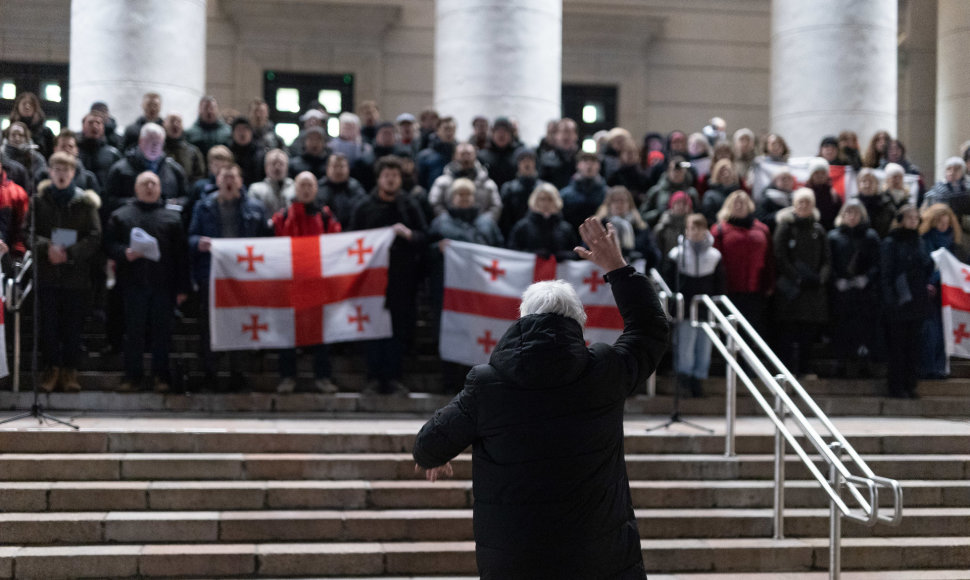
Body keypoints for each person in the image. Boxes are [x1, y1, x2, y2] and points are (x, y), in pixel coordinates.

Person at [413, 217, 669, 580]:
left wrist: (434, 455)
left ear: (521, 320)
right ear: (578, 322)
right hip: (600, 558)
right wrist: (617, 269)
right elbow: (650, 330)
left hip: (517, 560)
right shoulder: (604, 372)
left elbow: (427, 444)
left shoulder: (486, 385)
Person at [349, 156, 428, 395]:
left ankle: (394, 377)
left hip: (402, 280)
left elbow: (424, 236)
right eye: (387, 176)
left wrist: (409, 235)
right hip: (371, 281)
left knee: (398, 329)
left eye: (395, 176)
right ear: (379, 178)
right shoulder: (364, 206)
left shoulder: (411, 205)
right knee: (373, 328)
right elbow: (352, 241)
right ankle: (373, 377)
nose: (391, 180)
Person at [104, 171, 189, 392]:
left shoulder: (173, 218)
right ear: (136, 188)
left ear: (160, 188)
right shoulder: (121, 216)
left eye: (154, 183)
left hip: (163, 285)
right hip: (132, 283)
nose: (150, 186)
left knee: (162, 333)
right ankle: (133, 376)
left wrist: (182, 287)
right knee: (133, 331)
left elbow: (181, 255)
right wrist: (125, 252)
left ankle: (161, 376)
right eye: (145, 183)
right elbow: (109, 246)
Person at [188, 164, 271, 390]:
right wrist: (198, 243)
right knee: (210, 325)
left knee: (239, 323)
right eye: (224, 177)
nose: (228, 181)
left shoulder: (255, 208)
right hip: (213, 275)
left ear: (240, 181)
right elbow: (190, 238)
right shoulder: (203, 207)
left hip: (244, 276)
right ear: (217, 181)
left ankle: (238, 373)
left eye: (233, 177)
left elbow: (266, 242)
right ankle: (210, 372)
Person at [30, 152, 102, 392]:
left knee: (72, 327)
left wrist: (70, 253)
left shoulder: (86, 202)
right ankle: (51, 370)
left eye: (66, 170)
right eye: (57, 169)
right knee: (48, 326)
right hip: (48, 273)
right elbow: (26, 232)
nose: (62, 174)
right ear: (50, 172)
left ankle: (70, 371)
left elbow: (94, 236)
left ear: (73, 174)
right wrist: (46, 248)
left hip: (75, 277)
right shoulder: (38, 201)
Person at [271, 172, 342, 394]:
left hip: (318, 285)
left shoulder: (326, 215)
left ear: (316, 189)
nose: (306, 189)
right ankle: (287, 377)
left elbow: (337, 242)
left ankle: (323, 377)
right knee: (287, 333)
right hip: (290, 284)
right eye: (302, 185)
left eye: (310, 185)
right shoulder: (282, 216)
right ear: (296, 188)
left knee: (321, 333)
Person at [663, 213, 725, 397]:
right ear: (686, 230)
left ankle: (698, 378)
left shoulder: (714, 255)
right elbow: (668, 280)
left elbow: (720, 283)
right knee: (685, 343)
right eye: (691, 228)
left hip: (705, 308)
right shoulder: (677, 253)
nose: (695, 232)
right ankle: (684, 377)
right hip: (685, 308)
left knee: (703, 346)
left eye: (699, 228)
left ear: (705, 230)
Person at [771, 188, 830, 376]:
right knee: (788, 332)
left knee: (808, 334)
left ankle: (804, 369)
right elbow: (779, 255)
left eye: (808, 202)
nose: (804, 206)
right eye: (800, 202)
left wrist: (821, 278)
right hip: (791, 291)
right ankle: (785, 371)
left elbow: (827, 259)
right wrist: (796, 277)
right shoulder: (785, 226)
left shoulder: (818, 229)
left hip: (812, 292)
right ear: (794, 205)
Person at [881, 205, 933, 398]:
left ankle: (910, 385)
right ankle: (896, 386)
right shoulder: (891, 242)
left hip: (917, 301)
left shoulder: (919, 241)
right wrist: (890, 300)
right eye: (909, 217)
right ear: (901, 219)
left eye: (916, 217)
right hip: (899, 302)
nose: (913, 220)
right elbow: (886, 274)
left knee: (913, 346)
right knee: (898, 347)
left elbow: (926, 266)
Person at [827, 201, 881, 377]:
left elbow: (877, 263)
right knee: (841, 327)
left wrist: (866, 279)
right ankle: (840, 362)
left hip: (864, 293)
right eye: (848, 213)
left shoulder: (870, 236)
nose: (852, 216)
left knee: (863, 329)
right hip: (841, 293)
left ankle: (863, 363)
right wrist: (836, 280)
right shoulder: (833, 237)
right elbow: (829, 262)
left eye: (856, 213)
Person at [711, 190, 774, 334]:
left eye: (743, 202)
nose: (739, 205)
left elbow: (769, 258)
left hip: (755, 289)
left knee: (753, 328)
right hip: (729, 289)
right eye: (735, 202)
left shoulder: (762, 229)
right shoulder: (719, 230)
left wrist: (769, 283)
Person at [919, 203, 963, 380]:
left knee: (944, 333)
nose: (943, 225)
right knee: (930, 331)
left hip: (948, 293)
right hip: (929, 294)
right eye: (939, 222)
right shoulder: (923, 242)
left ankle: (939, 367)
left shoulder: (955, 246)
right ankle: (927, 366)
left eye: (946, 222)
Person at [428, 143, 502, 223]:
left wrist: (484, 221)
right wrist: (447, 220)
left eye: (469, 154)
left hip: (480, 227)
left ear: (475, 155)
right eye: (462, 154)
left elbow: (496, 206)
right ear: (455, 156)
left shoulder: (488, 184)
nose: (466, 158)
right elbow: (434, 203)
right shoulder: (442, 182)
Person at [507, 183, 579, 261]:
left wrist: (564, 256)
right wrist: (533, 254)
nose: (546, 203)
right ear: (535, 200)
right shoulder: (522, 227)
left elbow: (575, 254)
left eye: (550, 199)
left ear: (556, 201)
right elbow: (512, 253)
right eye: (542, 199)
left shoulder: (566, 229)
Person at [640, 156, 700, 227]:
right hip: (661, 230)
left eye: (679, 170)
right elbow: (642, 215)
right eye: (674, 170)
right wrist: (659, 214)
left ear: (685, 172)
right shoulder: (656, 191)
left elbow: (698, 216)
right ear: (668, 171)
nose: (676, 173)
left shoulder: (691, 193)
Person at [498, 149, 544, 237]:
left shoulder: (543, 188)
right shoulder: (508, 188)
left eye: (530, 159)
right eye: (522, 159)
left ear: (535, 163)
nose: (526, 163)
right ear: (518, 163)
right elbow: (505, 219)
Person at [316, 153, 369, 229]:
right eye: (335, 166)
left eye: (341, 166)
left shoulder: (356, 188)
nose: (338, 170)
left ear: (348, 168)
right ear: (327, 168)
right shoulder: (318, 189)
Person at [560, 151, 608, 230]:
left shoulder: (607, 193)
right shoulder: (565, 195)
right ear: (578, 165)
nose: (589, 165)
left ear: (599, 166)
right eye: (585, 161)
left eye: (593, 161)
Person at [78, 112, 123, 188]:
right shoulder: (75, 152)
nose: (94, 126)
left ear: (103, 128)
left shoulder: (113, 154)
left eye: (98, 123)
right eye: (90, 123)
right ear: (83, 126)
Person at [248, 149, 295, 216]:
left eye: (281, 164)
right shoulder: (256, 189)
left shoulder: (296, 188)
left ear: (287, 167)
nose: (277, 167)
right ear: (266, 167)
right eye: (273, 163)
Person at [9, 92, 55, 159]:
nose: (27, 106)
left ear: (36, 108)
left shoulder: (46, 132)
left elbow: (51, 156)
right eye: (24, 104)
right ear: (18, 107)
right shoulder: (8, 131)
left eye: (31, 104)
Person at [476, 117, 518, 190]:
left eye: (505, 131)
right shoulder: (482, 156)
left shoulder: (518, 155)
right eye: (498, 131)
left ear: (511, 134)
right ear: (492, 133)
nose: (501, 135)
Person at [416, 116, 457, 190]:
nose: (449, 133)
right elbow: (420, 181)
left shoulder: (460, 154)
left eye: (452, 129)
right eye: (446, 129)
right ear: (438, 131)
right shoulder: (425, 156)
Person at [538, 118, 579, 189]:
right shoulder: (546, 159)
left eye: (569, 132)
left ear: (576, 135)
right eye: (563, 132)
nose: (566, 136)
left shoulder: (582, 159)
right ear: (556, 135)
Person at [856, 168, 896, 238]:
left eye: (871, 181)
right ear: (858, 185)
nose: (867, 185)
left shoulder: (887, 203)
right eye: (864, 181)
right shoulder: (852, 204)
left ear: (877, 184)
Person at [653, 190, 693, 259]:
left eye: (684, 203)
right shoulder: (664, 224)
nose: (681, 206)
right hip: (667, 261)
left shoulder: (693, 223)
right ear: (672, 205)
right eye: (677, 203)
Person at [227, 117, 265, 186]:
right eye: (239, 129)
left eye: (245, 129)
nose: (242, 133)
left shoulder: (260, 154)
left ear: (251, 132)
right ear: (233, 133)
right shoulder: (227, 154)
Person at [805, 157, 841, 230]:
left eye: (823, 173)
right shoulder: (804, 193)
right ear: (811, 175)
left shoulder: (833, 194)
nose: (820, 176)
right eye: (816, 173)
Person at [755, 169, 794, 234]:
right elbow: (760, 220)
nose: (787, 181)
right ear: (775, 181)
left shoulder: (795, 197)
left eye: (789, 179)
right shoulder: (766, 199)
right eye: (783, 179)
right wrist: (778, 215)